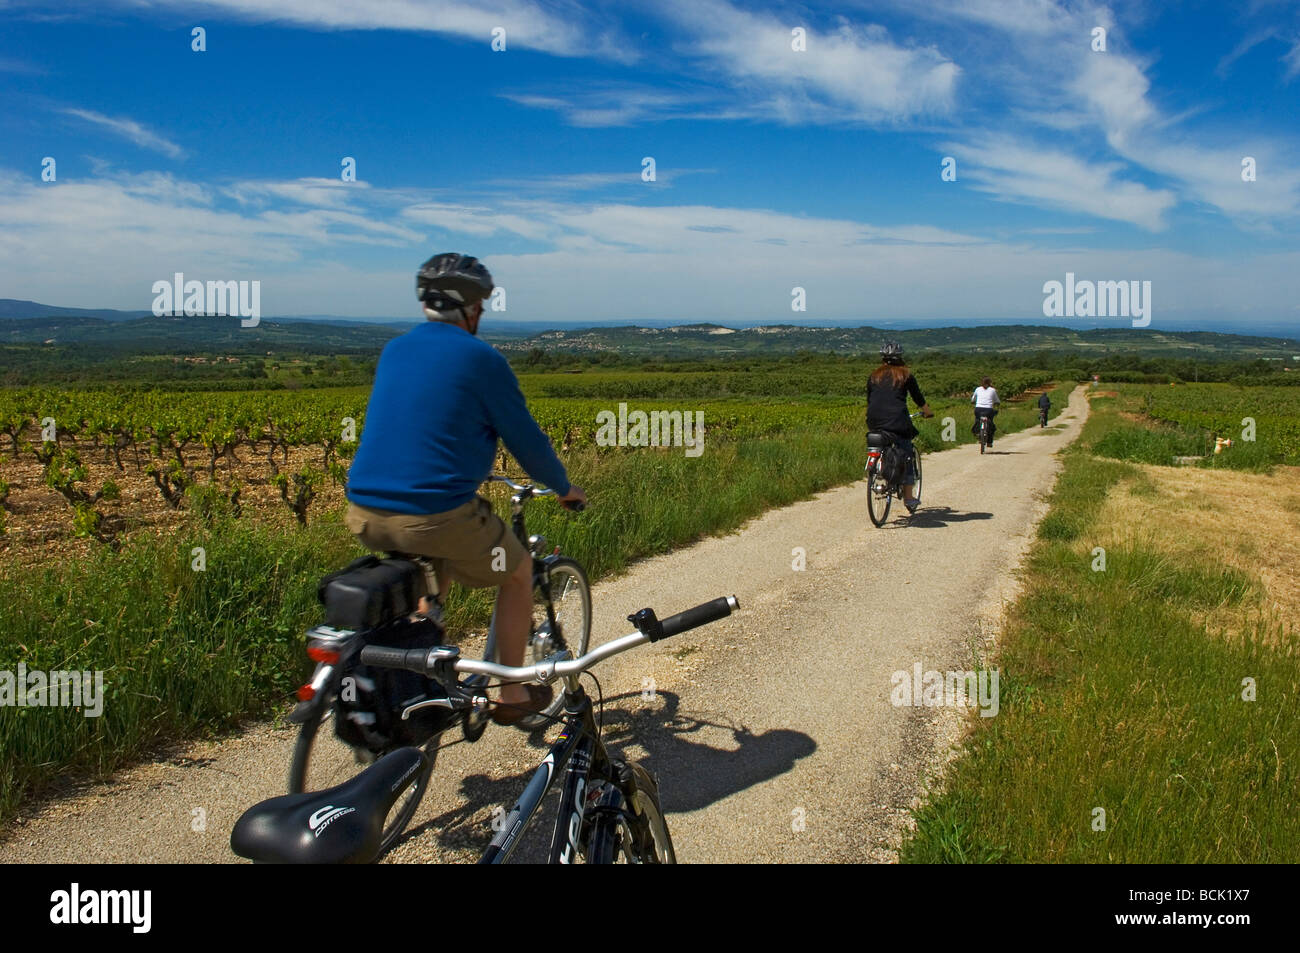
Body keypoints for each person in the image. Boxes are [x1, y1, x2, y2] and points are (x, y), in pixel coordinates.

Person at [344, 253, 587, 726]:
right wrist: (562, 486)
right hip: (432, 514)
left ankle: (423, 657)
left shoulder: (394, 350)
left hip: (364, 511)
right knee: (516, 573)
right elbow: (526, 440)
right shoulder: (482, 359)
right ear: (471, 309)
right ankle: (512, 693)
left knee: (433, 565)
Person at [866, 341, 933, 514]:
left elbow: (870, 399)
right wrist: (927, 411)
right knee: (906, 452)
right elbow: (918, 397)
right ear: (900, 357)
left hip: (874, 420)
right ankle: (909, 497)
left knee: (882, 443)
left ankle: (879, 469)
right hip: (897, 421)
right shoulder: (905, 375)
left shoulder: (874, 376)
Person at [971, 376, 1000, 446]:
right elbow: (997, 401)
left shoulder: (977, 389)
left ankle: (977, 432)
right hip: (988, 410)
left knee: (977, 420)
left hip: (978, 409)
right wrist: (997, 404)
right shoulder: (993, 390)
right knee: (990, 422)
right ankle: (989, 441)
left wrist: (973, 402)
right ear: (990, 383)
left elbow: (973, 399)